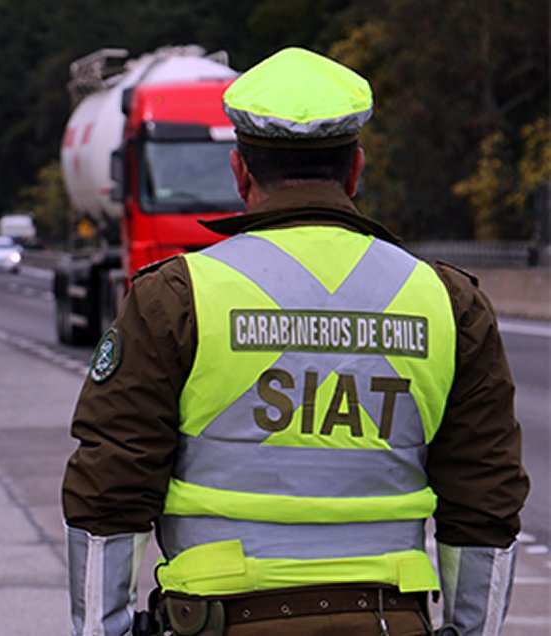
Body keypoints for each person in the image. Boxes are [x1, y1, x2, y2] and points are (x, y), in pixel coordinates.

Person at [62, 47, 528, 636]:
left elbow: (108, 495)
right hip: (389, 621)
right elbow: (486, 505)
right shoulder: (448, 303)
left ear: (240, 172)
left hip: (219, 622)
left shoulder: (178, 297)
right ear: (356, 170)